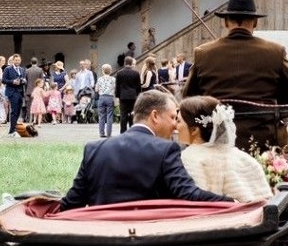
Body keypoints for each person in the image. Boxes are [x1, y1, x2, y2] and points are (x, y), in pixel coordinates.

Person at [59, 89, 232, 210]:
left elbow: (72, 203)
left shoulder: (93, 149)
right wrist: (233, 202)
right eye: (173, 117)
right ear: (155, 116)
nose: (175, 125)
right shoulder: (166, 149)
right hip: (147, 242)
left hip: (101, 242)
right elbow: (189, 194)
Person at [182, 0, 288, 153]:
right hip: (264, 142)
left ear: (226, 22)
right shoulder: (276, 52)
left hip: (214, 140)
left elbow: (188, 98)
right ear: (255, 22)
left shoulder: (203, 53)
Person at [177, 96, 272, 202]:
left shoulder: (189, 157)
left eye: (178, 121)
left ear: (194, 129)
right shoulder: (243, 157)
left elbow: (195, 202)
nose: (175, 126)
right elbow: (266, 199)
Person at [115, 56, 141, 132]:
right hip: (133, 96)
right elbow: (138, 86)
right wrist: (138, 95)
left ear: (125, 63)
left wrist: (118, 96)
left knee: (123, 114)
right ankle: (132, 129)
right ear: (131, 63)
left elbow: (117, 86)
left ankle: (123, 131)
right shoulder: (136, 73)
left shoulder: (119, 73)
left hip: (123, 96)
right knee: (133, 113)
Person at [2, 54, 26, 136]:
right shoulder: (8, 69)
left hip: (20, 92)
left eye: (18, 60)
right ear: (13, 60)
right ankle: (12, 131)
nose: (17, 62)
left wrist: (23, 81)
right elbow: (3, 80)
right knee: (14, 111)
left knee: (18, 111)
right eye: (16, 60)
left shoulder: (22, 69)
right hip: (12, 92)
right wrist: (13, 82)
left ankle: (14, 129)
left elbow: (24, 79)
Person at [95, 63, 116, 138]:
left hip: (102, 97)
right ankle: (109, 133)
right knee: (109, 115)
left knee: (101, 116)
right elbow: (115, 88)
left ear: (102, 70)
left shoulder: (100, 79)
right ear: (110, 71)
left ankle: (101, 133)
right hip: (110, 97)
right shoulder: (113, 79)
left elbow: (96, 89)